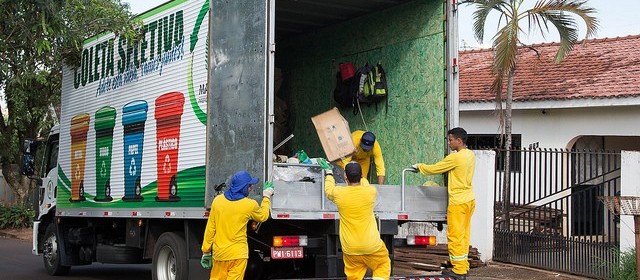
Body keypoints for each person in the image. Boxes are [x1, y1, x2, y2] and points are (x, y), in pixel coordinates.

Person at [412, 127, 475, 280]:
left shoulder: (456, 157)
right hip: (469, 200)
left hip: (458, 203)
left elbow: (435, 168)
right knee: (464, 236)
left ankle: (459, 271)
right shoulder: (470, 155)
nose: (449, 143)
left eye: (451, 140)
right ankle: (463, 267)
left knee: (455, 236)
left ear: (459, 141)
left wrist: (419, 167)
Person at [319, 159, 391, 280]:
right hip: (371, 246)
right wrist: (360, 175)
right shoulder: (370, 192)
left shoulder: (338, 193)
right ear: (362, 175)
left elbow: (328, 190)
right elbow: (364, 182)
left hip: (350, 248)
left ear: (345, 176)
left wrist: (329, 173)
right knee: (382, 264)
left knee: (354, 275)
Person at [200, 170, 274, 280]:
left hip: (220, 255)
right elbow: (263, 216)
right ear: (243, 187)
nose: (251, 188)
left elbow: (211, 228)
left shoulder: (217, 201)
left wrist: (206, 251)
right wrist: (266, 196)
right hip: (238, 255)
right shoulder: (249, 204)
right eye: (249, 186)